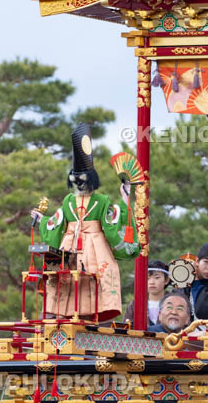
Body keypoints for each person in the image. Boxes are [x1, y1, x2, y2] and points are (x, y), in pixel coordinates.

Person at [31, 124, 138, 320]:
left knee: (92, 279)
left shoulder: (102, 200)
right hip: (69, 244)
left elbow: (112, 221)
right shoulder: (68, 201)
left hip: (95, 246)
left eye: (82, 179)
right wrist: (42, 220)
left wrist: (124, 199)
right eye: (75, 180)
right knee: (62, 278)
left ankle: (89, 318)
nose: (78, 184)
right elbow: (57, 221)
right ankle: (57, 316)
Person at [124, 259, 170, 328]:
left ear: (166, 280)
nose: (151, 282)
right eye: (147, 278)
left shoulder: (175, 301)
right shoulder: (135, 304)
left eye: (157, 277)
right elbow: (125, 328)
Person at [184, 242, 208, 320]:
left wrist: (196, 281)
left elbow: (204, 312)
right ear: (197, 261)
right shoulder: (184, 283)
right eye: (206, 262)